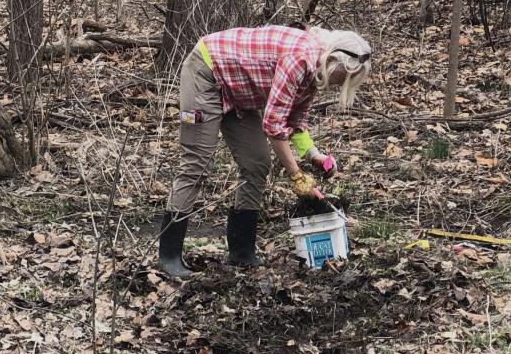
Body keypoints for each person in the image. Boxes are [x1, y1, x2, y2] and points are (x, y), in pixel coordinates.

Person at [158, 26, 372, 278]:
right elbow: (273, 126)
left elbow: (294, 121)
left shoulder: (316, 71)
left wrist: (314, 155)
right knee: (196, 165)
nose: (340, 83)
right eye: (344, 75)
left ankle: (241, 253)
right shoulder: (300, 59)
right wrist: (296, 175)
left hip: (239, 91)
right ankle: (169, 256)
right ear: (334, 59)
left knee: (257, 162)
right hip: (206, 72)